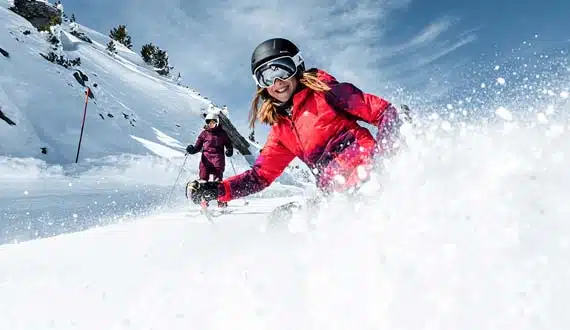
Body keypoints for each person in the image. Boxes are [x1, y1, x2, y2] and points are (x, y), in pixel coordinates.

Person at [187, 37, 406, 207]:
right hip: (338, 199)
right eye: (266, 77)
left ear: (297, 67)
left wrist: (385, 159)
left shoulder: (327, 93)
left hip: (373, 180)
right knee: (284, 223)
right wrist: (218, 190)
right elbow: (259, 177)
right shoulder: (281, 131)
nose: (277, 82)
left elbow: (385, 112)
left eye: (281, 70)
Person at [185, 112, 233, 207]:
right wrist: (192, 150)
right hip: (206, 160)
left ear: (217, 122)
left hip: (218, 160)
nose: (211, 124)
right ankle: (203, 200)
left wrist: (229, 150)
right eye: (209, 122)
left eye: (213, 122)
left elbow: (228, 144)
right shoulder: (204, 134)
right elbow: (197, 147)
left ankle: (221, 201)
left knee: (218, 181)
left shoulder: (222, 133)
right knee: (203, 180)